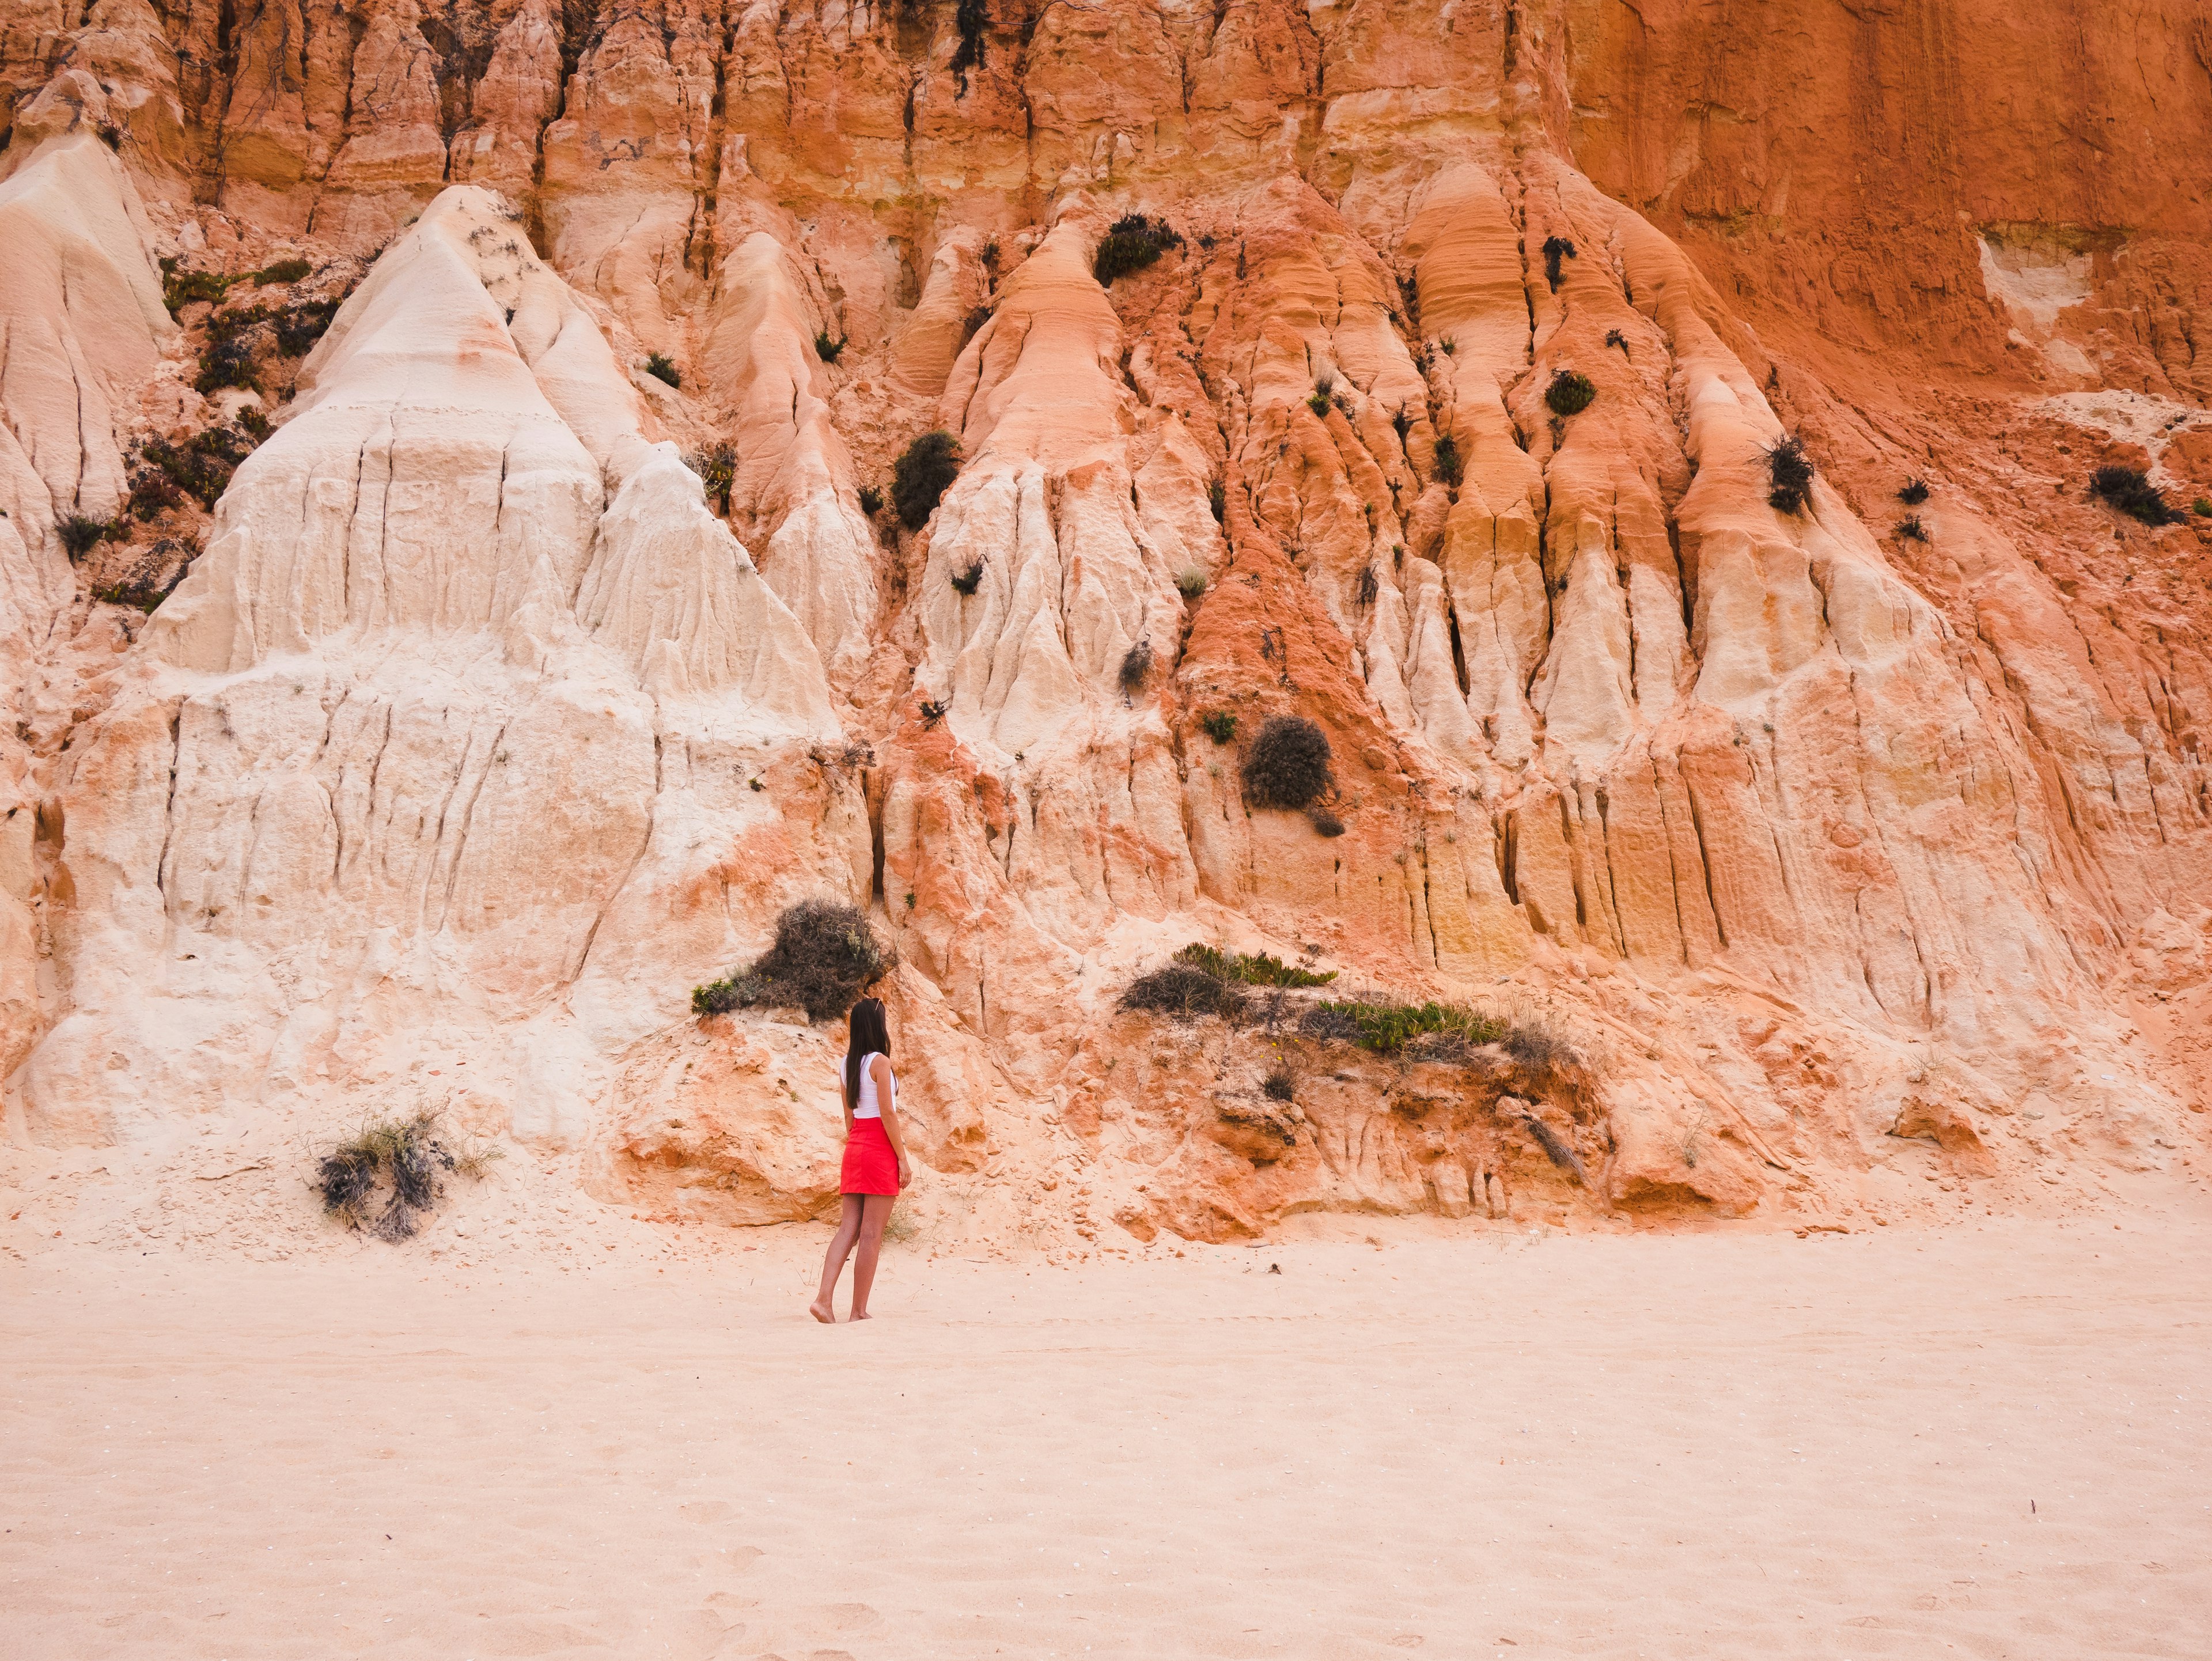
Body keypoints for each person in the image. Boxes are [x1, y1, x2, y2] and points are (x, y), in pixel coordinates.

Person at [810, 996, 912, 1322]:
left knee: (847, 1229)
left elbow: (849, 1118)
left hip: (854, 1147)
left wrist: (859, 1143)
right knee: (871, 1233)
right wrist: (903, 1159)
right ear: (878, 1025)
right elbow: (888, 1113)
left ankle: (823, 1300)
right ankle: (858, 1311)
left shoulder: (846, 1064)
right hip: (878, 1148)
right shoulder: (880, 1062)